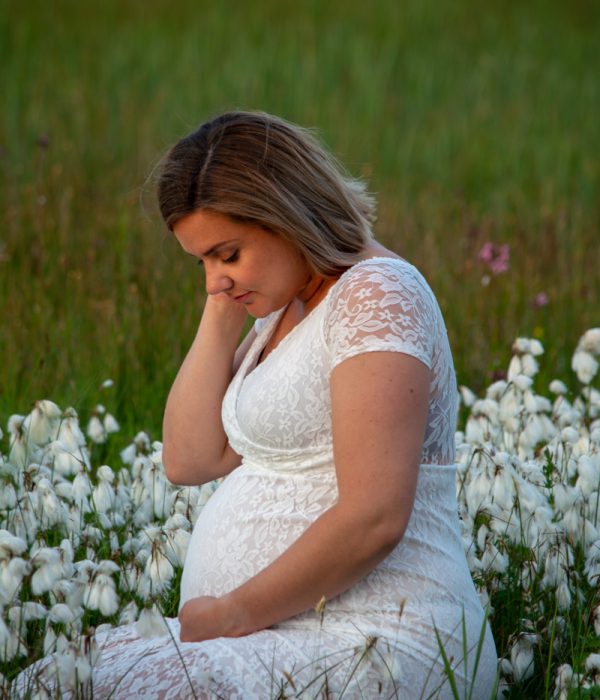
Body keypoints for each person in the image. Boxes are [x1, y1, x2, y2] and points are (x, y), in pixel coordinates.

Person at [91, 111, 498, 698]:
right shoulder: (283, 310)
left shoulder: (375, 295)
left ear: (286, 216)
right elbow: (189, 458)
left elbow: (374, 517)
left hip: (381, 635)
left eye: (227, 254)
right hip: (282, 629)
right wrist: (228, 301)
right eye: (200, 260)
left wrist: (234, 613)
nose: (212, 279)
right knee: (61, 678)